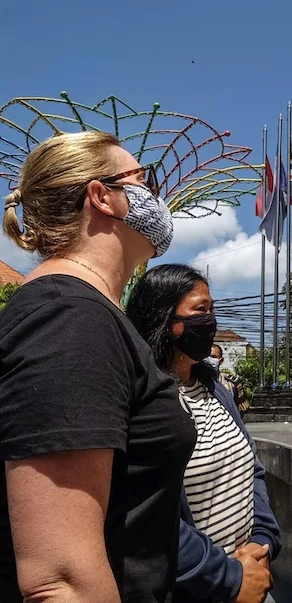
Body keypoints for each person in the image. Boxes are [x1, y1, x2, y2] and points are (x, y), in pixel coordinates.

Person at [0, 131, 197, 602]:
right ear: (102, 197)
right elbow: (60, 580)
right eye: (141, 181)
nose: (155, 198)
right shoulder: (69, 320)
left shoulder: (90, 314)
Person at [125, 264, 281, 603]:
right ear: (167, 323)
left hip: (252, 576)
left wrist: (263, 540)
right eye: (200, 310)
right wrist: (226, 576)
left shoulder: (215, 389)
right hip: (201, 590)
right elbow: (149, 518)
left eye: (212, 310)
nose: (210, 321)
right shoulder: (146, 404)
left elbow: (251, 470)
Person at [205, 344, 251, 415]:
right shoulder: (195, 381)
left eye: (213, 357)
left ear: (221, 360)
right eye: (206, 356)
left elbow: (241, 408)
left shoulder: (232, 383)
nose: (209, 360)